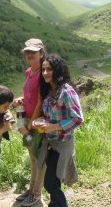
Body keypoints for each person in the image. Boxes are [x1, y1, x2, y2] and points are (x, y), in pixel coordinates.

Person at [34, 55, 84, 207]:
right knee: (54, 182)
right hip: (50, 143)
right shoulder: (50, 91)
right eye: (43, 69)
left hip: (62, 145)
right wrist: (41, 121)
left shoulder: (66, 91)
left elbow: (78, 119)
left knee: (50, 184)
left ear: (57, 70)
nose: (45, 73)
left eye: (49, 69)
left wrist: (52, 127)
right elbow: (51, 116)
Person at [13, 38, 47, 206]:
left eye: (33, 52)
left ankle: (36, 193)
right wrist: (21, 99)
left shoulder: (43, 73)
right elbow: (29, 93)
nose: (29, 55)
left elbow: (40, 102)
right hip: (26, 118)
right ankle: (31, 189)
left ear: (41, 53)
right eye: (27, 52)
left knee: (39, 158)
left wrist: (30, 124)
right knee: (32, 156)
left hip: (36, 123)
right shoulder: (29, 71)